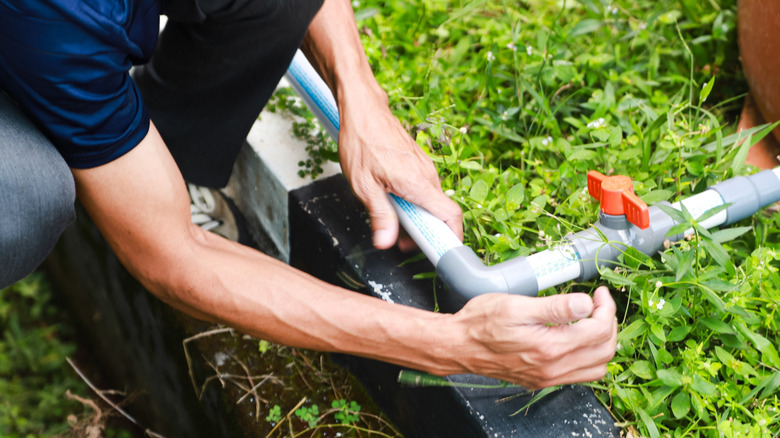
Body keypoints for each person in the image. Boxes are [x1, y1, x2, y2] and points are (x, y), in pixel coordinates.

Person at [0, 0, 617, 390]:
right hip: (32, 34)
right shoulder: (53, 19)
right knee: (23, 203)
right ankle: (112, 177)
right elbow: (172, 255)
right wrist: (450, 343)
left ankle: (137, 165)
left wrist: (362, 100)